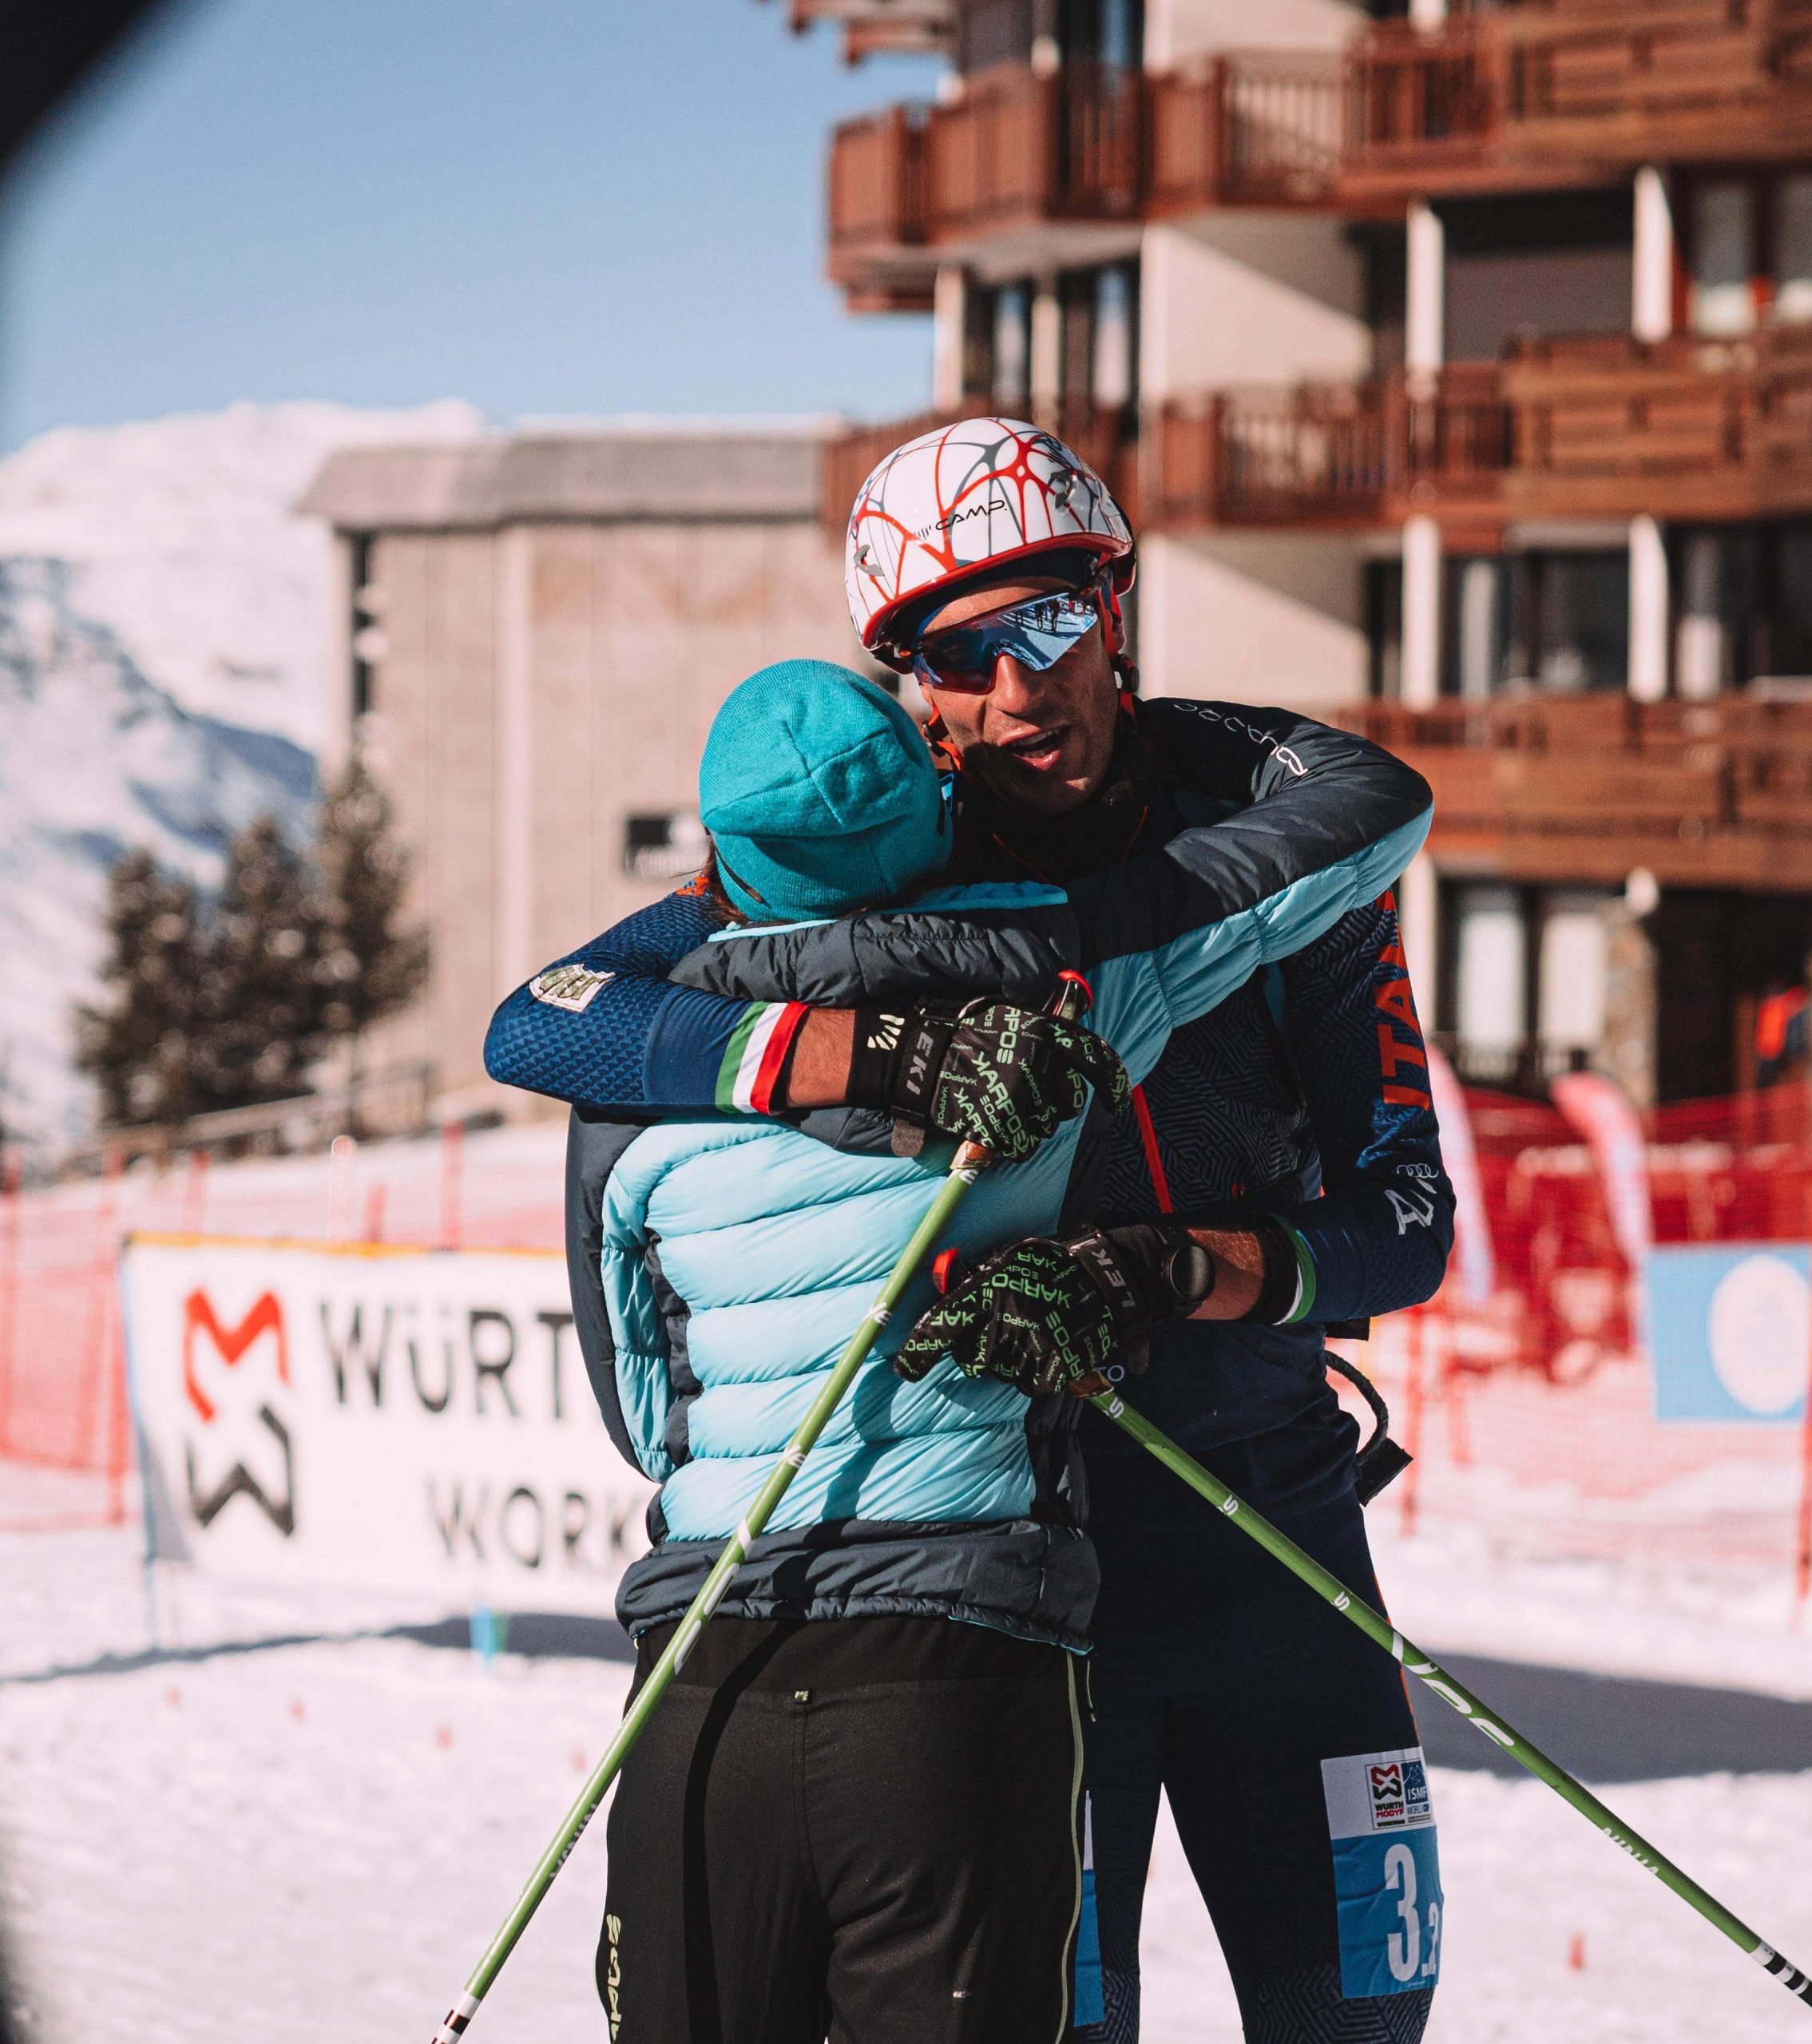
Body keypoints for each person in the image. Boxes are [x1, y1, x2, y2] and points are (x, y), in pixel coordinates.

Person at [486, 418, 1453, 2043]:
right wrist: (841, 1049)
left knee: (1363, 2009)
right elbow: (544, 1017)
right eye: (956, 655)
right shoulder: (883, 884)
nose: (1018, 691)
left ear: (1117, 608)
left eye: (1054, 622)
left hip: (1274, 1543)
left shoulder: (1267, 864)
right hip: (1029, 1598)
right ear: (901, 684)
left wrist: (1177, 1269)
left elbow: (1406, 1224)